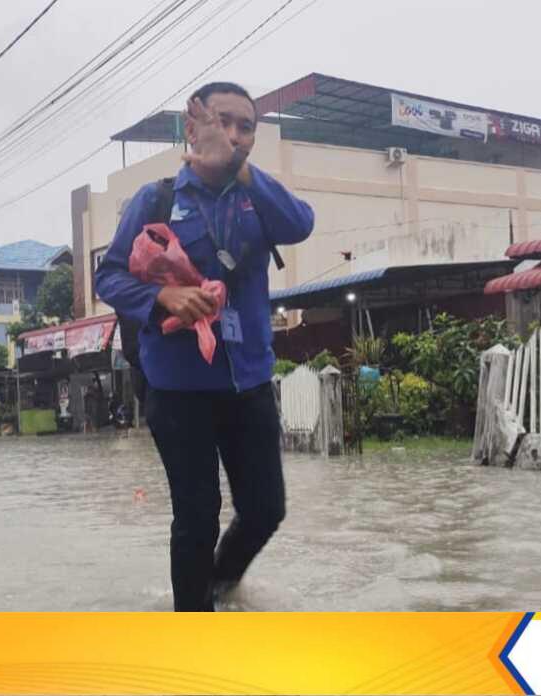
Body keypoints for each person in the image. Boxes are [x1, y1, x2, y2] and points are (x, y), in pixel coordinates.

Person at [95, 81, 314, 611]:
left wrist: (239, 169)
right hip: (177, 388)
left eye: (246, 127)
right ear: (192, 128)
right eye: (222, 122)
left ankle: (219, 584)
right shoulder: (157, 199)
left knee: (266, 510)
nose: (234, 135)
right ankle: (192, 627)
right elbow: (109, 278)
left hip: (249, 381)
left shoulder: (257, 198)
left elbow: (301, 224)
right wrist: (164, 295)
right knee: (196, 514)